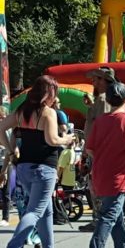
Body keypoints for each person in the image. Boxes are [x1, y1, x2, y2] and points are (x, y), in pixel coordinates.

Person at [0, 76, 74, 248]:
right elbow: (52, 140)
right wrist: (67, 138)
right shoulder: (48, 112)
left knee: (45, 210)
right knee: (34, 212)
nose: (56, 97)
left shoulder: (22, 110)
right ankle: (14, 245)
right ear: (48, 93)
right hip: (44, 168)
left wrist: (11, 151)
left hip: (24, 167)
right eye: (54, 92)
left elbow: (1, 128)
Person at [86, 82, 125, 248]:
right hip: (117, 177)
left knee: (116, 216)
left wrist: (105, 155)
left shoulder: (100, 121)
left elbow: (90, 149)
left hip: (100, 173)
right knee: (109, 215)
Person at [81, 66, 117, 233]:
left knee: (97, 185)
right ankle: (102, 218)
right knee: (95, 184)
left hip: (98, 150)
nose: (93, 82)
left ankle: (100, 219)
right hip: (97, 149)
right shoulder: (101, 99)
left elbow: (102, 126)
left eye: (96, 79)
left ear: (104, 80)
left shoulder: (103, 99)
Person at [0, 107, 12, 227]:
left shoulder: (8, 131)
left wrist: (6, 169)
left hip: (5, 163)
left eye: (2, 118)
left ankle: (6, 217)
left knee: (6, 193)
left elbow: (11, 150)